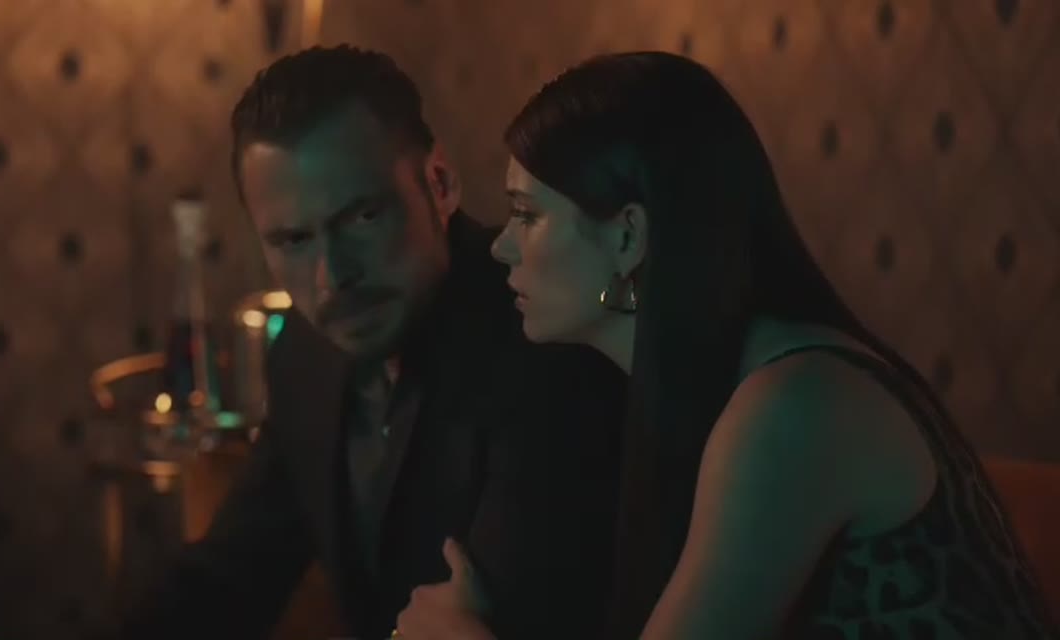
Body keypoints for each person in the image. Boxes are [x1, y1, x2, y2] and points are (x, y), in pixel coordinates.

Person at [393, 51, 1058, 639]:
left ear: (627, 237)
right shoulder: (703, 391)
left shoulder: (793, 407)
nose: (503, 246)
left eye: (528, 214)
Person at [119, 45, 629, 640]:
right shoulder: (305, 357)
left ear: (440, 183)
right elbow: (230, 575)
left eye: (361, 218)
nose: (332, 276)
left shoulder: (543, 337)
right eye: (293, 240)